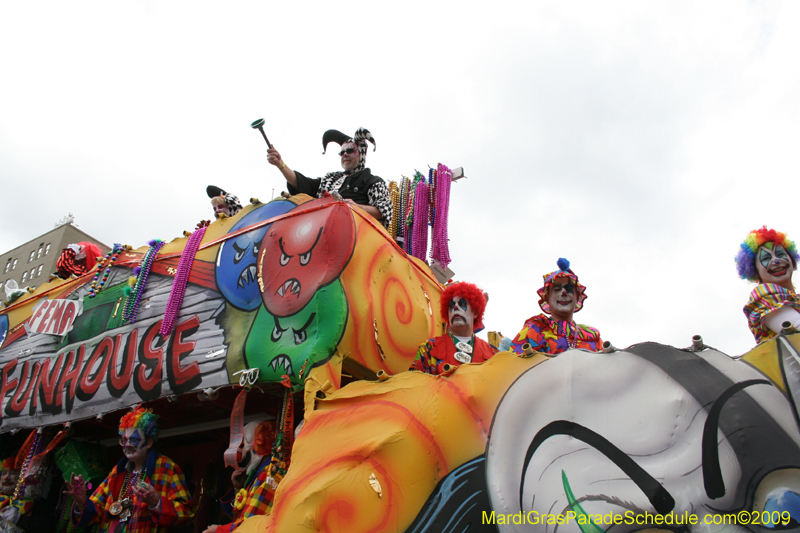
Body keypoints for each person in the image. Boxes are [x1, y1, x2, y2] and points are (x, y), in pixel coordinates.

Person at [66, 406, 194, 532]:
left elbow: (186, 513)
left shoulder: (167, 468)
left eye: (133, 440)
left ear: (149, 442)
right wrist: (82, 503)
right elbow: (97, 512)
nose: (127, 445)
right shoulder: (117, 472)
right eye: (124, 440)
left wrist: (156, 502)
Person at [266, 128, 393, 227]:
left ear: (362, 153)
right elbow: (302, 184)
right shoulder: (330, 179)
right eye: (341, 152)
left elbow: (384, 211)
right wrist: (280, 164)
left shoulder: (373, 181)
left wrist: (355, 206)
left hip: (355, 238)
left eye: (350, 151)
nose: (345, 155)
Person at [510, 258, 602, 355]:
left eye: (569, 288)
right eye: (557, 289)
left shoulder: (592, 337)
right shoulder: (534, 329)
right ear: (547, 297)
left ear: (577, 297)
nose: (564, 292)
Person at [204, 419, 279, 533]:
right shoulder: (260, 473)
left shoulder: (268, 474)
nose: (240, 450)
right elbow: (239, 516)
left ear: (258, 444)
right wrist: (238, 488)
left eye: (244, 443)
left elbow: (249, 525)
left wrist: (219, 530)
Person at [410, 281, 497, 375]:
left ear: (475, 313)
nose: (455, 307)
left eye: (462, 304)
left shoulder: (494, 354)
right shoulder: (428, 348)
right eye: (451, 305)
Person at [736, 226, 800, 344]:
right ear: (755, 271)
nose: (776, 261)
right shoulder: (763, 295)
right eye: (766, 258)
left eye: (780, 254)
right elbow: (796, 330)